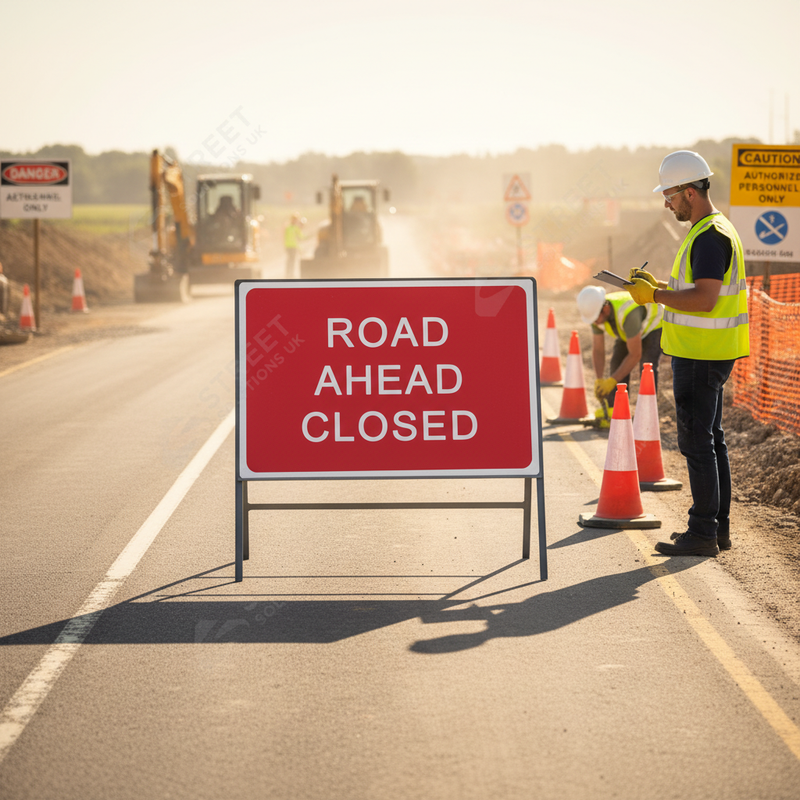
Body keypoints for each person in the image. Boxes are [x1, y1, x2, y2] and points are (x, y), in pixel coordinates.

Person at [626, 150, 749, 556]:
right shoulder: (713, 230)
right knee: (711, 441)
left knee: (698, 444)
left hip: (700, 355)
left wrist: (655, 295)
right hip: (710, 352)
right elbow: (697, 288)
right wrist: (657, 284)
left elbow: (706, 299)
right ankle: (717, 529)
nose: (666, 202)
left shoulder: (709, 236)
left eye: (670, 194)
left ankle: (702, 534)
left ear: (690, 192)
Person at [576, 285, 663, 408]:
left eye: (595, 319)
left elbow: (635, 354)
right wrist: (599, 380)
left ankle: (648, 412)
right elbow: (598, 349)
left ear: (605, 310)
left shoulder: (627, 314)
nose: (594, 323)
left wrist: (612, 381)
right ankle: (616, 412)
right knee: (617, 363)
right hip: (628, 330)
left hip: (653, 326)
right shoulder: (597, 312)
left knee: (647, 369)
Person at [284, 213, 303, 278]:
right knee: (289, 260)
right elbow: (284, 237)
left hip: (293, 246)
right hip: (289, 246)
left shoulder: (295, 228)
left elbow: (301, 237)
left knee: (292, 260)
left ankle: (290, 274)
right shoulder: (288, 227)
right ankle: (288, 274)